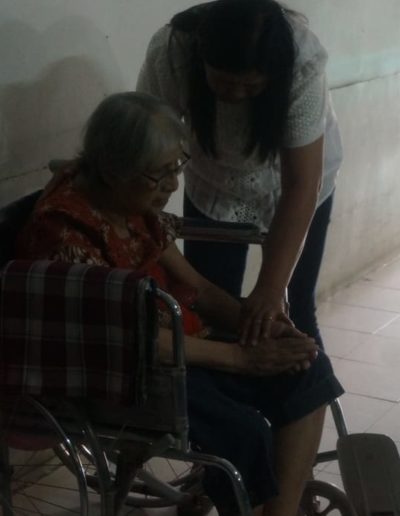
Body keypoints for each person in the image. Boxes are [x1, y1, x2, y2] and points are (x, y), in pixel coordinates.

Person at [16, 92, 343, 516]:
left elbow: (198, 288)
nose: (172, 185)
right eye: (160, 174)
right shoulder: (66, 234)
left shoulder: (130, 201)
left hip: (178, 347)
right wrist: (241, 359)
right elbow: (136, 341)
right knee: (244, 431)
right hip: (128, 372)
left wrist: (257, 326)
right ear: (114, 170)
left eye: (177, 167)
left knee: (307, 370)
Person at [136, 0, 343, 349]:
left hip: (292, 189)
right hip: (216, 188)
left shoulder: (301, 61)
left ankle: (298, 375)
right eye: (222, 81)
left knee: (291, 311)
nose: (234, 94)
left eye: (250, 87)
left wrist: (271, 290)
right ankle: (236, 379)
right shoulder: (174, 51)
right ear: (202, 57)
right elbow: (145, 136)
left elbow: (301, 183)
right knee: (213, 310)